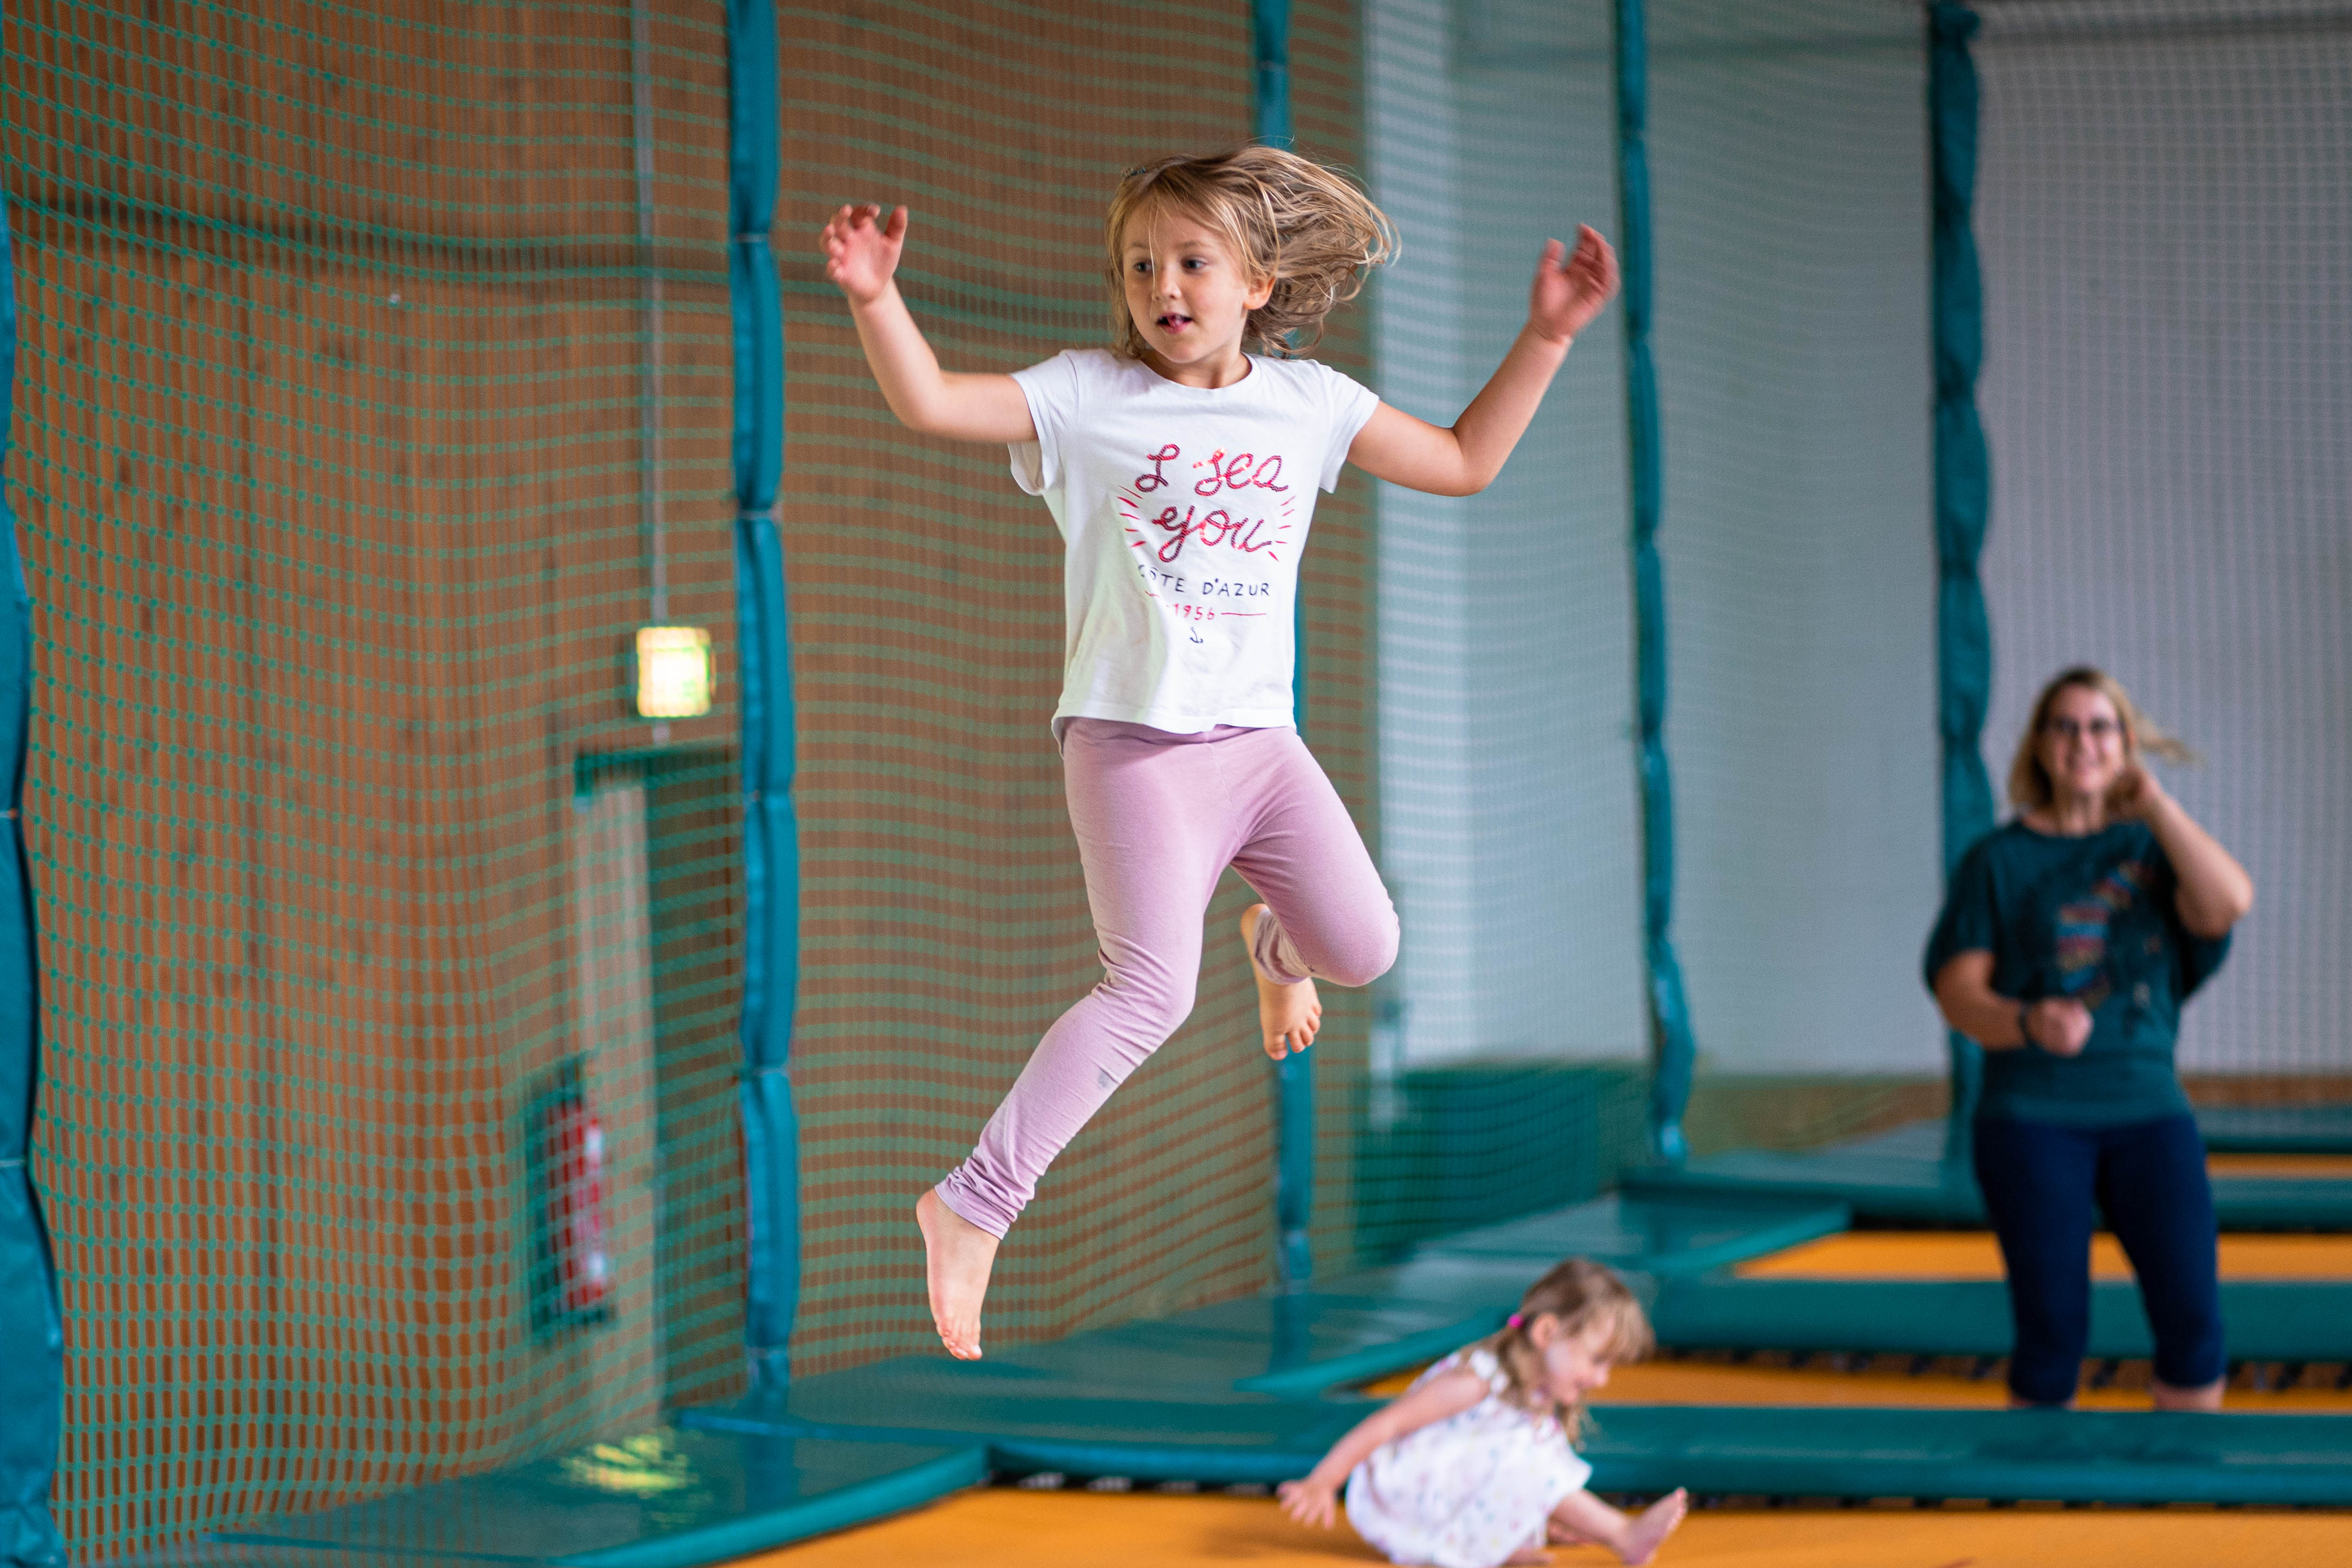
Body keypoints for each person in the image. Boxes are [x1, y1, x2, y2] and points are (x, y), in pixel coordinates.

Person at [818, 146, 1620, 1359]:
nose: (1163, 285)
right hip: (1133, 746)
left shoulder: (1308, 405)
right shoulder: (1088, 396)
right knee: (1148, 989)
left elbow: (1462, 463)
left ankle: (1272, 936)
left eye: (1192, 261)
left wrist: (1549, 337)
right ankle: (972, 1203)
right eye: (1140, 264)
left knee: (1360, 946)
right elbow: (932, 402)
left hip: (1256, 741)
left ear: (1258, 281)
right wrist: (878, 299)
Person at [1925, 665, 2255, 1410]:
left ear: (2125, 742)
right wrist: (2024, 1021)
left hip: (2147, 1110)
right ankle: (2039, 1509)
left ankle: (2186, 1491)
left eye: (2100, 725)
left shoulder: (2153, 846)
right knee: (2052, 1331)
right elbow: (1957, 990)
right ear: (2040, 744)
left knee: (2193, 1321)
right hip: (2032, 1118)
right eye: (2065, 725)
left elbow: (2228, 901)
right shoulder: (1998, 860)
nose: (2083, 741)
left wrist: (2157, 807)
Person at [1278, 1259, 1687, 1567]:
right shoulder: (1477, 1380)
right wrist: (1324, 1481)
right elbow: (1390, 1421)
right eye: (1597, 1360)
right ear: (1546, 1334)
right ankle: (1622, 1534)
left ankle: (1494, 1548)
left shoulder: (1533, 1389)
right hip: (1403, 1492)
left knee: (1531, 1452)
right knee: (1526, 1462)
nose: (1601, 1378)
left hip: (1440, 1489)